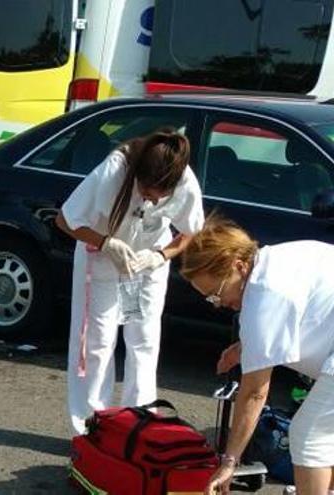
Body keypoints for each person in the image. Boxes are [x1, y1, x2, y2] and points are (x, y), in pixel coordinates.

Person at [54, 130, 205, 435]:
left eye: (158, 197)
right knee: (97, 343)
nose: (151, 199)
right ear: (137, 174)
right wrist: (107, 243)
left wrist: (161, 256)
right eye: (147, 192)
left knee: (144, 340)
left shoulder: (184, 182)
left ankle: (140, 423)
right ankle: (91, 426)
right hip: (102, 259)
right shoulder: (114, 171)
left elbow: (191, 231)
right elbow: (65, 220)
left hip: (146, 265)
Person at [178, 217, 334, 495]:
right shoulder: (277, 259)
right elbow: (299, 313)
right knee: (323, 437)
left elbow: (254, 393)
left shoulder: (264, 293)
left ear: (238, 266)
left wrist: (229, 462)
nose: (218, 304)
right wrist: (244, 347)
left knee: (308, 437)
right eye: (209, 299)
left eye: (216, 293)